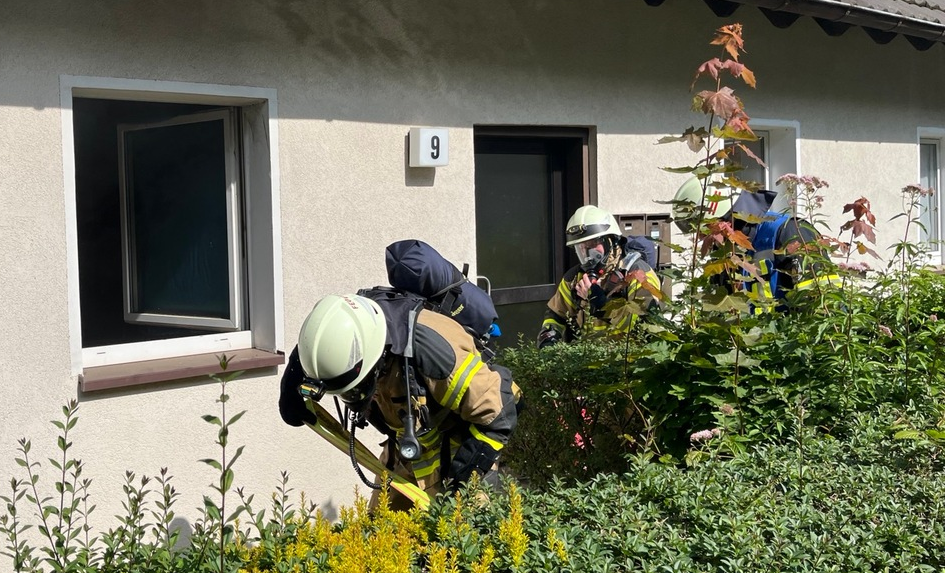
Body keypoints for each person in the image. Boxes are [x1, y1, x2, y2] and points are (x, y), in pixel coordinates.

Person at [278, 292, 519, 509]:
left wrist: (463, 478)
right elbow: (316, 344)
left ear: (375, 360)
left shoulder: (436, 357)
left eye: (355, 390)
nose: (354, 399)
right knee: (380, 534)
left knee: (462, 537)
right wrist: (293, 382)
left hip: (461, 445)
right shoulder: (349, 332)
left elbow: (498, 413)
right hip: (408, 448)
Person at [669, 175, 841, 308]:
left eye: (705, 231)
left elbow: (823, 306)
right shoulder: (725, 251)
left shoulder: (791, 232)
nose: (704, 241)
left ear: (723, 219)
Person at [538, 205, 663, 347]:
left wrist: (604, 307)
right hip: (590, 364)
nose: (587, 255)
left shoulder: (638, 275)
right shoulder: (574, 279)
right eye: (581, 248)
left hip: (629, 365)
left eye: (592, 245)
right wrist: (548, 338)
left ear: (612, 241)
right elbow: (556, 315)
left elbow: (649, 331)